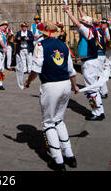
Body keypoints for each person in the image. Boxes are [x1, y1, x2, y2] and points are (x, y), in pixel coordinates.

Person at [24, 20, 79, 171]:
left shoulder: (41, 45)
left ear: (43, 33)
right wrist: (74, 85)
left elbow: (36, 69)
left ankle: (58, 161)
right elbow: (71, 70)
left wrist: (28, 81)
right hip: (66, 84)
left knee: (48, 122)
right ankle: (70, 156)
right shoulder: (63, 45)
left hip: (51, 85)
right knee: (59, 120)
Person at [64, 4, 105, 121]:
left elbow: (78, 23)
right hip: (90, 61)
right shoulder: (91, 29)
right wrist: (79, 9)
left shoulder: (88, 31)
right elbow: (84, 20)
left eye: (84, 22)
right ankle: (99, 110)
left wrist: (68, 12)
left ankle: (97, 112)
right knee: (93, 88)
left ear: (87, 24)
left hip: (89, 63)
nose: (81, 23)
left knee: (91, 89)